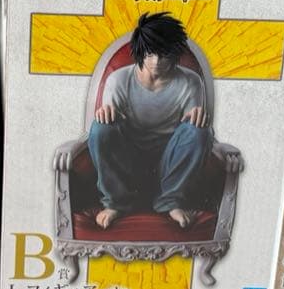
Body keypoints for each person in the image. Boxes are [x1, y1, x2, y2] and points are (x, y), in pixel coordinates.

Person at [88, 12, 212, 230]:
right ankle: (116, 202)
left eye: (164, 54)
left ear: (175, 53)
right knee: (101, 128)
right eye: (150, 53)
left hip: (169, 162)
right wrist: (106, 114)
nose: (156, 61)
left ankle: (171, 201)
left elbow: (191, 134)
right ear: (140, 50)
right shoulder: (119, 80)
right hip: (129, 161)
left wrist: (199, 119)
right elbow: (109, 128)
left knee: (199, 130)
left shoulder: (190, 81)